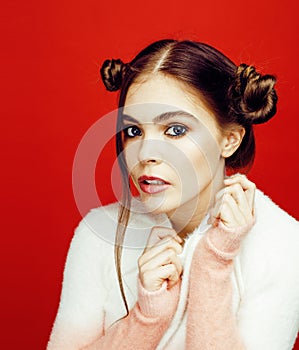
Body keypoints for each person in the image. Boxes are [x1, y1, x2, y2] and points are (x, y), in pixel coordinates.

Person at [47, 39, 299, 350]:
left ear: (229, 140)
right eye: (134, 131)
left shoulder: (284, 243)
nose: (146, 153)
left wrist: (213, 264)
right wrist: (146, 318)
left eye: (175, 130)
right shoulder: (99, 233)